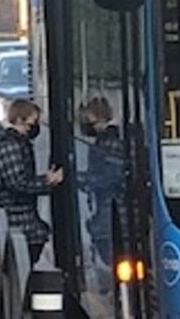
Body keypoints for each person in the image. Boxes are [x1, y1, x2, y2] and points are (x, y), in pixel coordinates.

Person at [0, 99, 64, 313]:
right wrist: (48, 181)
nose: (36, 126)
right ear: (21, 120)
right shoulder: (10, 145)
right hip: (9, 214)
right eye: (33, 121)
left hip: (7, 214)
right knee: (5, 263)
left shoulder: (11, 142)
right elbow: (16, 182)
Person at [78, 98, 125, 271]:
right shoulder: (106, 139)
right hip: (108, 207)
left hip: (114, 207)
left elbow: (110, 175)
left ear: (102, 117)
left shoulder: (110, 141)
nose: (88, 127)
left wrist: (83, 180)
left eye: (91, 121)